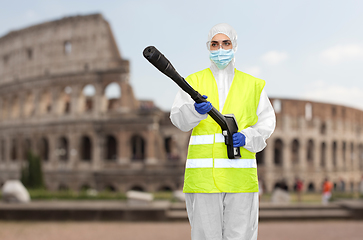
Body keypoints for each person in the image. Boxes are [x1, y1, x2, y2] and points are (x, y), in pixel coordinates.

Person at [170, 23, 276, 240]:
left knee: (240, 236)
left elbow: (267, 123)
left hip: (239, 176)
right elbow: (178, 119)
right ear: (208, 47)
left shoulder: (253, 85)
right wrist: (194, 112)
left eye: (225, 43)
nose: (220, 49)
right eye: (215, 44)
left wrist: (247, 137)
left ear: (234, 45)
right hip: (203, 178)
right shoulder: (193, 81)